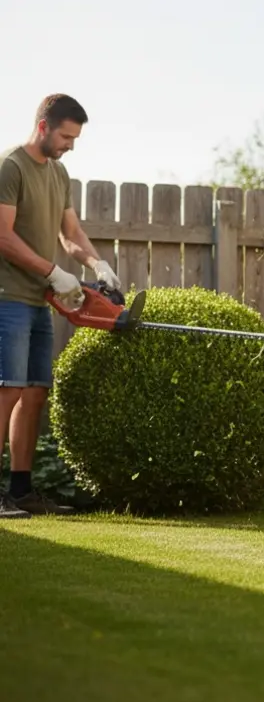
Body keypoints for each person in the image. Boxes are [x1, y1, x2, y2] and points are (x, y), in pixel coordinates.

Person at [0, 94, 120, 519]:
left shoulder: (59, 173)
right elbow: (3, 235)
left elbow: (70, 233)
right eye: (66, 136)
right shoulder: (10, 166)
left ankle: (20, 490)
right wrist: (53, 271)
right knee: (7, 390)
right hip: (7, 296)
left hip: (38, 299)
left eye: (75, 138)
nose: (71, 144)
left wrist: (96, 263)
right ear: (44, 126)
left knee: (33, 394)